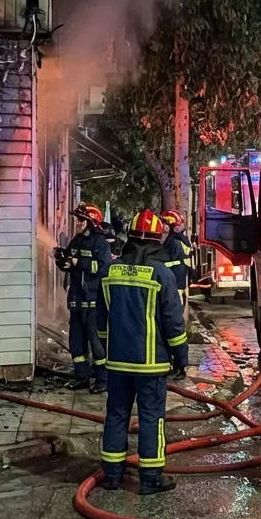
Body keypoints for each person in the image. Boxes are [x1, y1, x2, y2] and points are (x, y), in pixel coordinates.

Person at [96, 209, 189, 494]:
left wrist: (107, 349)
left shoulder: (110, 271)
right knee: (151, 418)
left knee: (116, 415)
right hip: (151, 364)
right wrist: (181, 358)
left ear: (130, 238)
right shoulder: (162, 274)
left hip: (117, 362)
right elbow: (173, 322)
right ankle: (150, 479)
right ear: (157, 241)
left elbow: (101, 321)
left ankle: (112, 475)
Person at [55, 203, 111, 393]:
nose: (77, 223)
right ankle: (81, 377)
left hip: (94, 302)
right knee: (76, 342)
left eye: (81, 220)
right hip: (77, 300)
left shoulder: (100, 243)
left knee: (96, 344)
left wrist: (80, 262)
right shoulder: (77, 240)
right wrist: (61, 259)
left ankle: (103, 379)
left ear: (91, 222)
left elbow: (103, 268)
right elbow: (69, 262)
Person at [159, 209, 194, 326]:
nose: (162, 227)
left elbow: (169, 263)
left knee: (173, 316)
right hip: (178, 284)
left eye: (164, 223)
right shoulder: (179, 240)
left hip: (175, 284)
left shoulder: (174, 243)